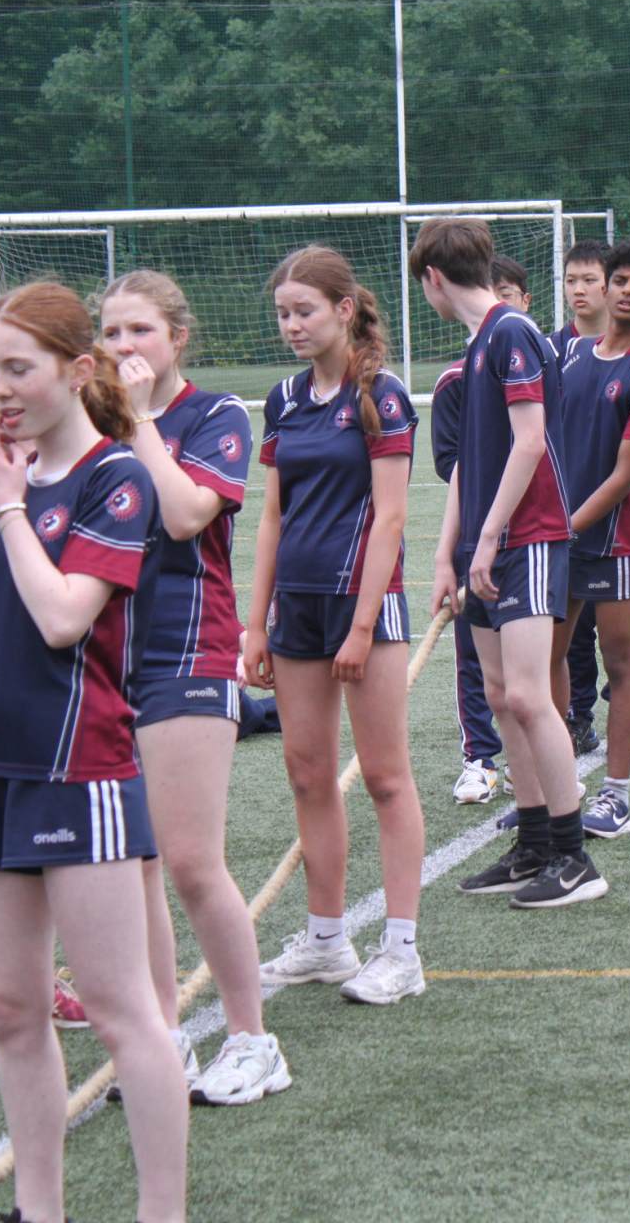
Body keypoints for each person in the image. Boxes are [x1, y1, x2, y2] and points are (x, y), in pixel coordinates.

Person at [0, 281, 188, 1223]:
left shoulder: (113, 477)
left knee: (124, 1014)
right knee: (12, 1009)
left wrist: (8, 507)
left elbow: (61, 619)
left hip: (81, 773)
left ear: (77, 371)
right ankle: (39, 1210)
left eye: (15, 369)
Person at [100, 268, 289, 1099]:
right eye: (111, 332)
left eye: (139, 330)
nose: (124, 347)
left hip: (187, 651)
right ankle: (162, 1042)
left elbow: (183, 517)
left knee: (190, 862)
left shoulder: (213, 416)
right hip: (105, 658)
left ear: (177, 337)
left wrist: (140, 420)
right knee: (134, 863)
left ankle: (253, 1040)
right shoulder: (91, 421)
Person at [244, 245, 427, 1003]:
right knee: (307, 773)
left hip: (364, 609)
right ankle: (326, 941)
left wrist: (360, 627)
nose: (291, 325)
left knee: (384, 776)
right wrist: (256, 625)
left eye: (304, 311)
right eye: (283, 313)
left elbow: (390, 519)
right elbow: (272, 517)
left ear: (344, 310)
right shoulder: (284, 400)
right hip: (296, 611)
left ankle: (402, 952)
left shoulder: (382, 396)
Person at [415, 217, 604, 909]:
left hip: (529, 538)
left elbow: (529, 443)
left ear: (433, 278)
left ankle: (575, 856)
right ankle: (534, 841)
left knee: (527, 696)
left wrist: (491, 535)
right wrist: (448, 553)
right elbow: (469, 464)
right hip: (486, 545)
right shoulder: (475, 347)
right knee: (500, 698)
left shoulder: (512, 331)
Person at [550, 238, 630, 840]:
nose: (627, 291)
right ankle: (558, 790)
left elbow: (624, 477)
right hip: (561, 536)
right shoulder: (572, 357)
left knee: (620, 665)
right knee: (546, 661)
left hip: (617, 542)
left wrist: (562, 527)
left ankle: (617, 798)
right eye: (619, 281)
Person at [432, 353, 506, 804]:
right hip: (475, 532)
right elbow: (451, 462)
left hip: (537, 535)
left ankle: (542, 751)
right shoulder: (455, 381)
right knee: (472, 652)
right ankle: (479, 757)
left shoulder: (540, 367)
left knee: (541, 656)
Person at [553, 241, 613, 755]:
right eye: (571, 279)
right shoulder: (550, 351)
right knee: (568, 631)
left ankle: (624, 713)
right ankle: (576, 717)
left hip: (618, 514)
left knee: (618, 629)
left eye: (589, 279)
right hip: (561, 512)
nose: (578, 289)